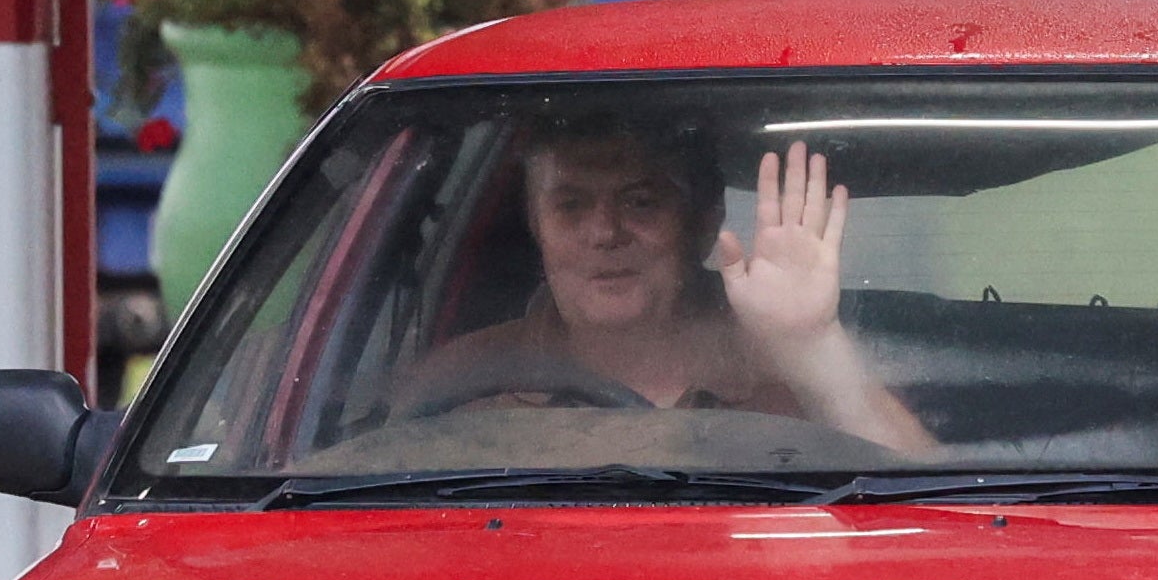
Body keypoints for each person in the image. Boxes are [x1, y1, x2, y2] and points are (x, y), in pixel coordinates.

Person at [390, 118, 934, 452]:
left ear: (704, 219)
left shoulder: (796, 369)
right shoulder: (463, 384)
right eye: (571, 206)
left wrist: (811, 344)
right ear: (536, 228)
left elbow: (936, 512)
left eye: (640, 202)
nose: (604, 233)